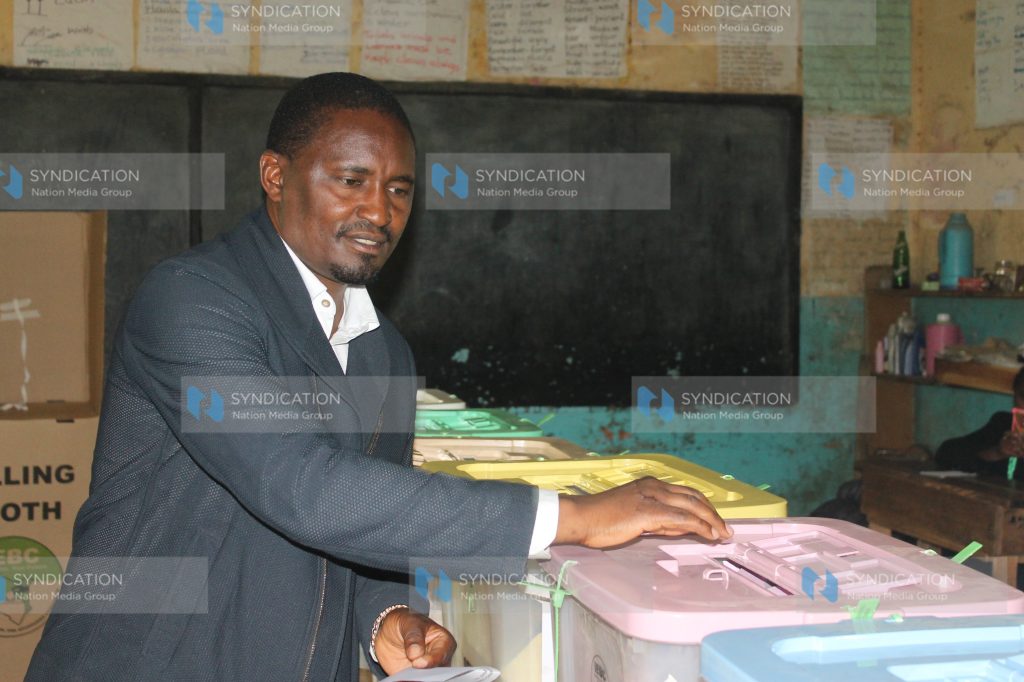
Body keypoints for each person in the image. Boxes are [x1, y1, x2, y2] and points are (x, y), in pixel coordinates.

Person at [26, 73, 731, 681]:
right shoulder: (191, 300)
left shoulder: (382, 352)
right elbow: (301, 486)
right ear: (276, 176)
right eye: (351, 180)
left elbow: (360, 528)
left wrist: (384, 616)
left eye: (398, 189)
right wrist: (572, 516)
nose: (379, 212)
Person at [935, 367, 1024, 478]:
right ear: (1014, 395)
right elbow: (946, 454)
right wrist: (997, 453)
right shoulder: (1003, 424)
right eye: (1023, 397)